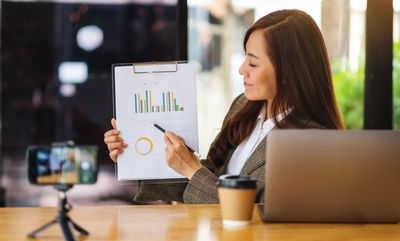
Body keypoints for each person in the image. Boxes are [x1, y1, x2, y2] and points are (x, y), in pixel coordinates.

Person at [104, 9, 345, 204]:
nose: (242, 69)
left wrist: (191, 169)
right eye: (245, 58)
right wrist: (134, 157)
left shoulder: (310, 142)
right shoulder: (245, 105)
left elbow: (253, 212)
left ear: (287, 72)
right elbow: (211, 178)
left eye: (253, 62)